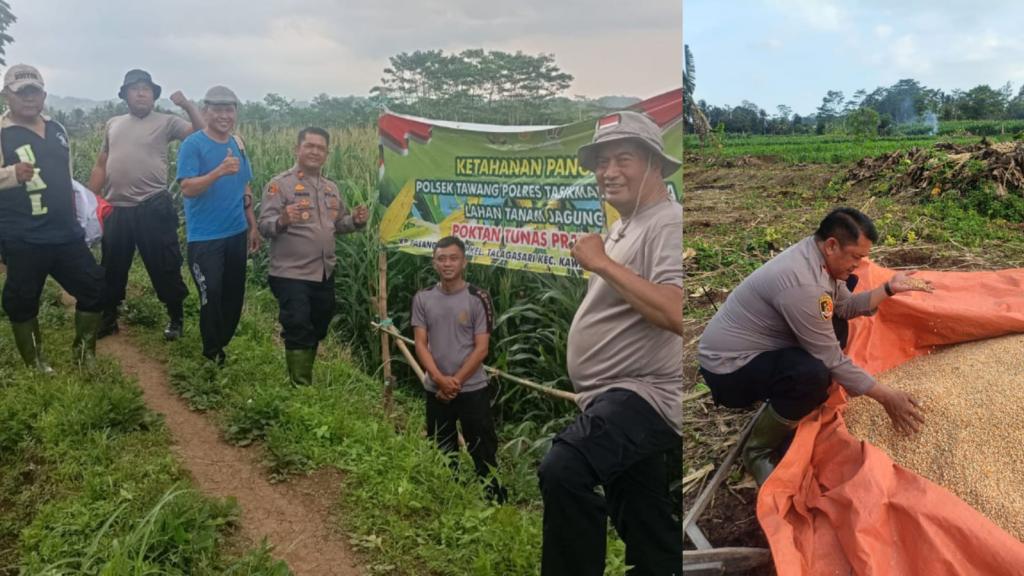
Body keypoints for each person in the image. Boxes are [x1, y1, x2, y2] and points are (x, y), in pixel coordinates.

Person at [538, 111, 683, 576]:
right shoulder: (629, 223)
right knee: (644, 521)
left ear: (656, 165)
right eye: (602, 161)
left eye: (624, 158)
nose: (609, 171)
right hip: (613, 396)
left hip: (643, 395)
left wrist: (601, 263)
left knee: (564, 469)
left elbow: (675, 312)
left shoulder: (667, 222)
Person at [698, 207, 932, 486]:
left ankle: (786, 402)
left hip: (761, 345)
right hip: (729, 369)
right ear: (832, 245)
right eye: (856, 257)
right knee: (812, 375)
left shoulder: (822, 260)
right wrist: (886, 397)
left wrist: (889, 289)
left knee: (835, 325)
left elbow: (844, 307)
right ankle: (757, 451)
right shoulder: (801, 284)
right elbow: (831, 358)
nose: (859, 264)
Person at [0, 64, 105, 371]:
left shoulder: (57, 129)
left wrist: (80, 215)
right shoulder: (2, 133)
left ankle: (85, 353)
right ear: (7, 95)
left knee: (94, 288)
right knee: (22, 299)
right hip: (22, 234)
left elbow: (67, 177)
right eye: (21, 92)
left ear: (44, 94)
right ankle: (35, 362)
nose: (29, 98)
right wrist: (10, 174)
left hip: (65, 232)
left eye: (34, 91)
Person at [89, 69, 204, 341]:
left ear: (153, 95)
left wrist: (187, 105)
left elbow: (199, 133)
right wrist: (88, 199)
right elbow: (101, 164)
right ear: (125, 94)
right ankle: (109, 316)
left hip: (152, 206)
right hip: (116, 208)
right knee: (112, 267)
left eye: (147, 89)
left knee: (164, 264)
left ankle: (176, 317)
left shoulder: (166, 122)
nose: (141, 92)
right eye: (135, 88)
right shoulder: (113, 123)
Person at [257, 126, 368, 384]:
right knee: (297, 324)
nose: (315, 152)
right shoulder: (279, 185)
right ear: (297, 149)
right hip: (290, 272)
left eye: (321, 148)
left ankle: (303, 369)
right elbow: (264, 226)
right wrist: (282, 220)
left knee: (319, 324)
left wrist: (356, 221)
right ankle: (301, 386)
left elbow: (337, 225)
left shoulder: (330, 188)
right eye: (310, 146)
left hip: (324, 271)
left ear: (327, 154)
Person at [411, 236, 507, 503]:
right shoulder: (423, 298)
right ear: (434, 263)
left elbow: (482, 348)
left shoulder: (478, 298)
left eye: (453, 258)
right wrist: (440, 380)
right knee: (442, 447)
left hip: (472, 388)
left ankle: (494, 502)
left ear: (464, 262)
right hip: (436, 389)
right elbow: (421, 343)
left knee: (483, 448)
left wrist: (454, 382)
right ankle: (448, 500)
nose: (447, 264)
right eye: (441, 259)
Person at [175, 85, 260, 364]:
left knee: (233, 297)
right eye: (218, 109)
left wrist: (253, 225)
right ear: (205, 112)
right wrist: (219, 171)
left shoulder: (237, 143)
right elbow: (187, 188)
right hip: (205, 238)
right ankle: (212, 354)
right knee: (211, 294)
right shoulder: (193, 144)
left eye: (229, 109)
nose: (224, 115)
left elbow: (244, 185)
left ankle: (220, 342)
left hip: (236, 232)